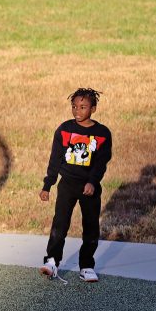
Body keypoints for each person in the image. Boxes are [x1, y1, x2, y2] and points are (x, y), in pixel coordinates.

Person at [39, 88, 112, 282]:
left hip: (90, 188)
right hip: (67, 185)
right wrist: (48, 185)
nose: (77, 111)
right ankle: (52, 262)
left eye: (83, 107)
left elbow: (101, 163)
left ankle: (86, 266)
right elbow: (55, 159)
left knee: (90, 227)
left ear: (93, 109)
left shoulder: (102, 133)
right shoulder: (64, 129)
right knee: (60, 225)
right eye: (74, 106)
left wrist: (92, 182)